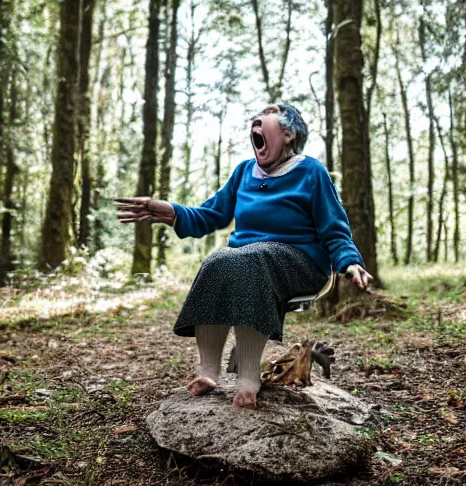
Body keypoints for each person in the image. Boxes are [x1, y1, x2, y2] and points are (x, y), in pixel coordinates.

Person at [115, 102, 373, 409]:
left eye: (270, 113)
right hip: (249, 258)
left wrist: (350, 261)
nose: (259, 116)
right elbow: (211, 215)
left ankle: (248, 377)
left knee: (251, 259)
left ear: (288, 134)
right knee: (217, 260)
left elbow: (334, 226)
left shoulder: (311, 172)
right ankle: (209, 372)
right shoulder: (244, 172)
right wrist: (171, 211)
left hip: (300, 261)